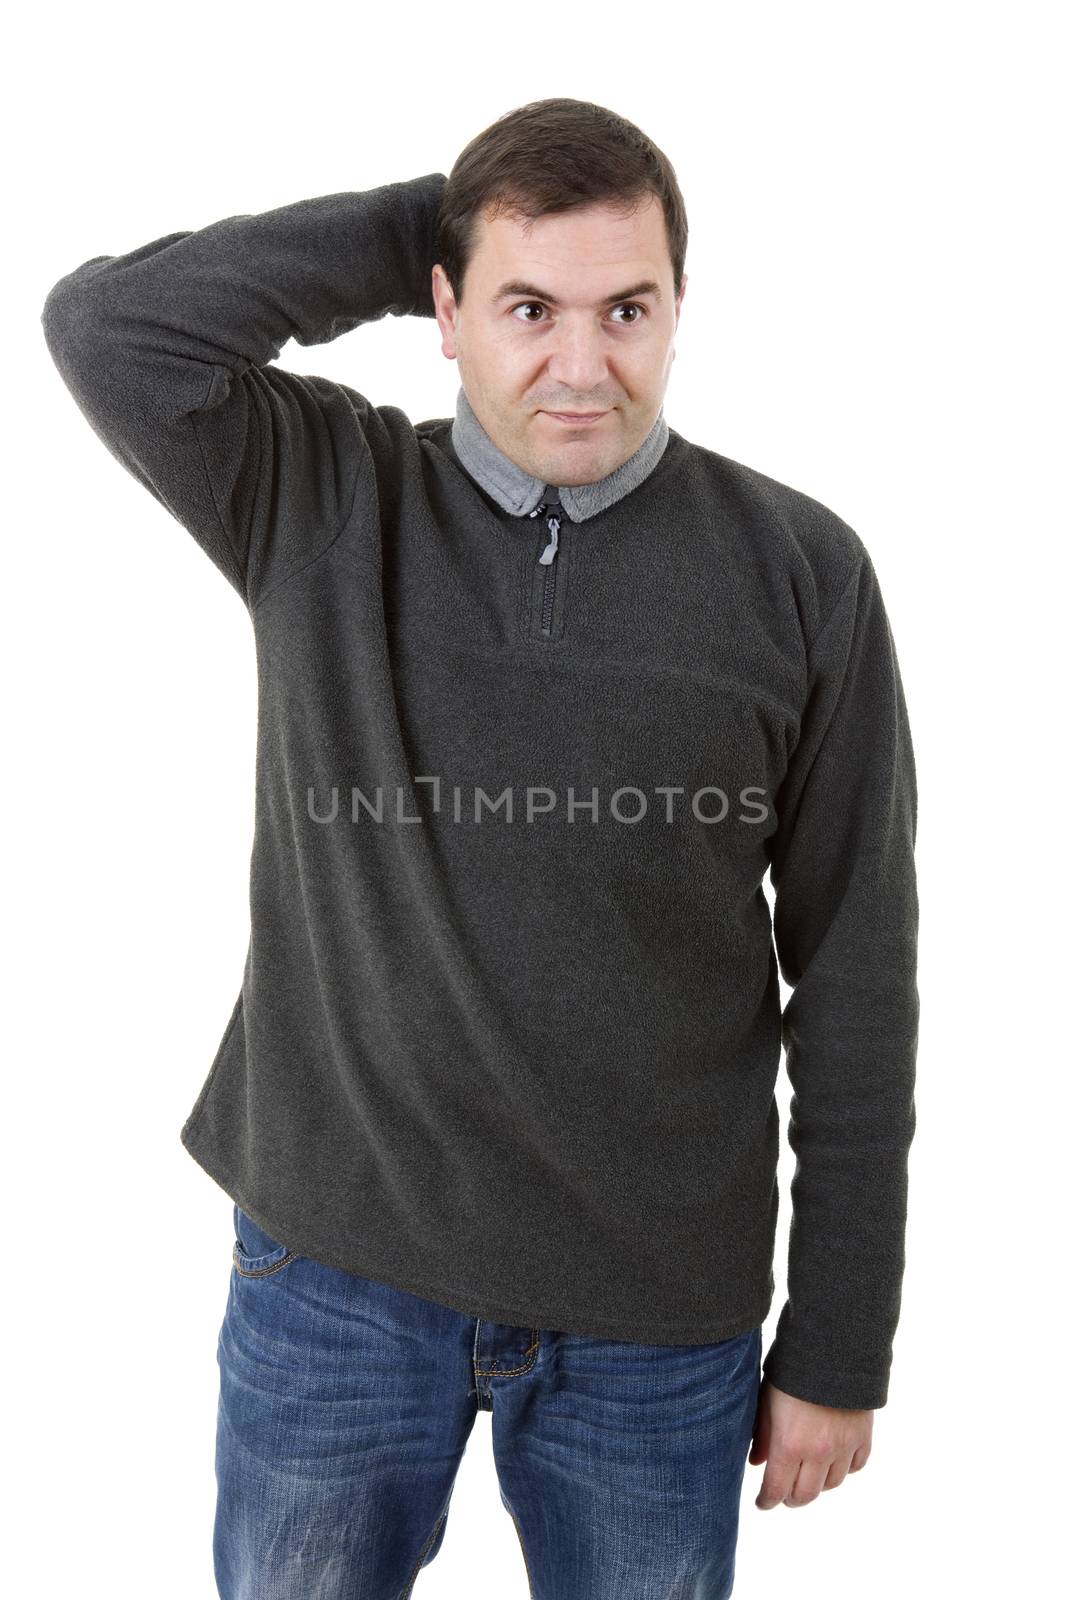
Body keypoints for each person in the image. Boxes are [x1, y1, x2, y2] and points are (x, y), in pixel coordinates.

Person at [41, 96, 920, 1600]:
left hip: (656, 1326)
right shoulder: (318, 495)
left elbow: (856, 975)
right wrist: (425, 220)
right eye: (526, 306)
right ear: (441, 311)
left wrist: (839, 1338)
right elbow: (109, 327)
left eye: (626, 309)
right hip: (334, 1280)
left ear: (677, 311)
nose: (582, 365)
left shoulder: (801, 572)